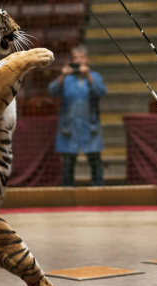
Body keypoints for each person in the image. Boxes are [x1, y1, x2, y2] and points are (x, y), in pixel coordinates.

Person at [48, 45, 107, 186]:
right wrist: (62, 75)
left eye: (81, 58)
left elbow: (101, 91)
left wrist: (88, 75)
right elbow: (52, 91)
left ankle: (98, 189)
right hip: (69, 126)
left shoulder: (95, 77)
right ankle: (67, 192)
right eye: (75, 58)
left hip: (89, 125)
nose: (79, 60)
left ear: (87, 60)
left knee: (95, 161)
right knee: (68, 162)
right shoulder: (67, 79)